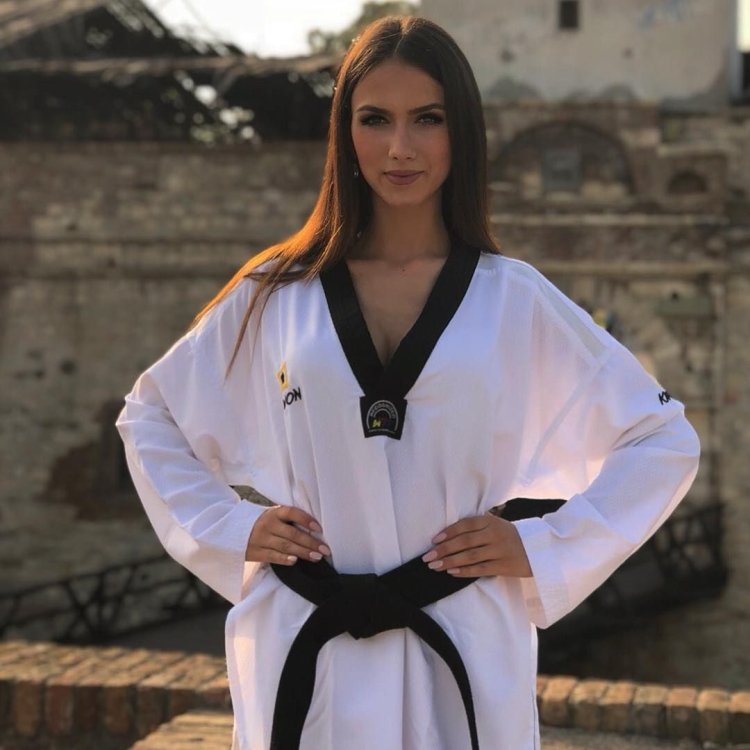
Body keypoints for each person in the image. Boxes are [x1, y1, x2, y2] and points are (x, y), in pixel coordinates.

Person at [115, 15, 700, 750]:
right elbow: (152, 416)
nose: (400, 147)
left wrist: (543, 545)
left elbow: (662, 438)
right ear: (344, 133)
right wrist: (234, 527)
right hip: (308, 644)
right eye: (375, 119)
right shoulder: (278, 293)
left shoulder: (512, 298)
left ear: (464, 132)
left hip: (461, 640)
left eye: (428, 118)